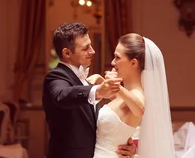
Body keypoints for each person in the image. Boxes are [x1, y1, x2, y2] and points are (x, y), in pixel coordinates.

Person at [43, 23, 137, 158]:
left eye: (91, 45)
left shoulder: (87, 82)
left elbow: (100, 129)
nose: (92, 51)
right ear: (67, 53)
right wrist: (98, 91)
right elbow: (61, 96)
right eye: (86, 48)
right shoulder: (55, 77)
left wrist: (127, 147)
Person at [90, 33, 175, 158]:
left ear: (133, 63)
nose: (113, 62)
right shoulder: (124, 96)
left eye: (117, 57)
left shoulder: (138, 95)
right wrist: (100, 80)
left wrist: (116, 85)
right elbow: (119, 100)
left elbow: (140, 109)